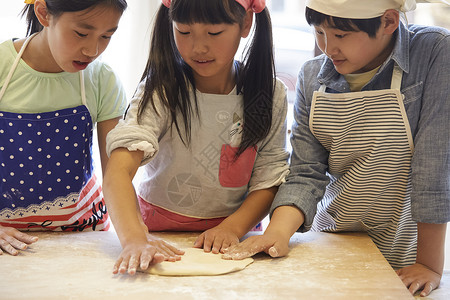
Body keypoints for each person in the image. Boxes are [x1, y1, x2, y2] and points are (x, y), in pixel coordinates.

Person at [223, 0, 450, 297]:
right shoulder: (312, 76)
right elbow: (306, 172)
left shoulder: (433, 51)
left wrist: (429, 264)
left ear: (388, 22)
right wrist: (276, 233)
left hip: (405, 249)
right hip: (331, 240)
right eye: (319, 32)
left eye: (341, 36)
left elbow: (432, 164)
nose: (328, 48)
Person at [103, 0, 290, 275]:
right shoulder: (161, 89)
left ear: (246, 23)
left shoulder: (269, 94)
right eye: (184, 31)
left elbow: (269, 178)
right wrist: (134, 239)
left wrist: (231, 228)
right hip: (156, 229)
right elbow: (117, 172)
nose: (198, 47)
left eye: (214, 33)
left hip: (234, 235)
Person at [0, 0, 128, 255]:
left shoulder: (102, 79)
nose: (93, 50)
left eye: (106, 36)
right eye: (81, 33)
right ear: (44, 13)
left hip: (85, 233)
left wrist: (134, 235)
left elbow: (116, 174)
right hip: (8, 240)